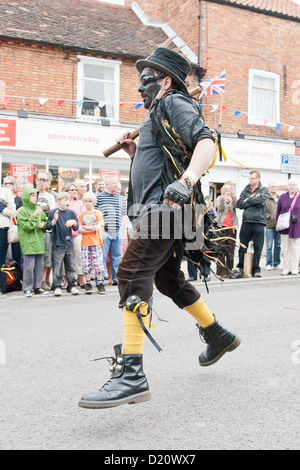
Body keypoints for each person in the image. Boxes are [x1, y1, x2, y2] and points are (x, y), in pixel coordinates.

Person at [78, 47, 241, 410]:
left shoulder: (173, 103)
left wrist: (187, 180)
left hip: (166, 210)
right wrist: (136, 151)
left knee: (131, 272)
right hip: (159, 210)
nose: (140, 88)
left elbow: (205, 142)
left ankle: (131, 375)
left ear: (166, 81)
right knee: (166, 280)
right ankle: (217, 333)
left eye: (147, 79)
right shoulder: (157, 114)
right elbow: (159, 164)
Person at [231, 170, 268, 278]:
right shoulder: (246, 189)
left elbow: (261, 201)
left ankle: (256, 269)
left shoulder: (264, 189)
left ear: (258, 178)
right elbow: (240, 204)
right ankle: (241, 268)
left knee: (258, 248)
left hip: (259, 222)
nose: (250, 180)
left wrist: (249, 200)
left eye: (252, 178)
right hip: (246, 221)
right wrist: (254, 200)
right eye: (250, 178)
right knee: (242, 247)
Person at [95, 177, 127, 286]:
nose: (117, 185)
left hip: (118, 230)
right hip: (104, 230)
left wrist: (122, 225)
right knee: (102, 255)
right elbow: (95, 213)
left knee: (117, 256)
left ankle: (115, 278)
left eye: (117, 183)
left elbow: (124, 214)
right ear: (107, 185)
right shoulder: (99, 197)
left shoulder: (122, 199)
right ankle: (100, 279)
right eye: (114, 183)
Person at [46, 192, 79, 296]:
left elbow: (76, 227)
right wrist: (54, 221)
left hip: (69, 243)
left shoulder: (71, 213)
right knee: (57, 266)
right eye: (65, 200)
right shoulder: (53, 212)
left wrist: (74, 223)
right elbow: (48, 227)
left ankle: (72, 285)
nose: (67, 202)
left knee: (71, 265)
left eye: (68, 200)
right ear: (59, 202)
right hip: (57, 243)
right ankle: (56, 286)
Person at [17, 187, 48, 296]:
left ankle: (37, 287)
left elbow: (45, 221)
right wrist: (34, 217)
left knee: (39, 266)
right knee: (29, 267)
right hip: (28, 242)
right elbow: (26, 227)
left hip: (39, 242)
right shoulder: (22, 212)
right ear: (26, 197)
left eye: (36, 196)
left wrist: (43, 224)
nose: (35, 198)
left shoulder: (39, 209)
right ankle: (27, 288)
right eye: (32, 196)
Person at [78, 192, 105, 294]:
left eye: (90, 201)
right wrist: (92, 228)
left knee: (98, 264)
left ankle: (99, 283)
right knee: (86, 264)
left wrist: (87, 227)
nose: (88, 203)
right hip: (85, 243)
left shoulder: (97, 213)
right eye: (85, 201)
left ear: (93, 202)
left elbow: (98, 227)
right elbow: (80, 229)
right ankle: (88, 283)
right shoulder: (82, 215)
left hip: (96, 242)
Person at [62, 182, 86, 288]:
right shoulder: (60, 203)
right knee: (64, 257)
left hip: (76, 233)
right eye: (72, 190)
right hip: (64, 234)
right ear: (66, 191)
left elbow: (83, 217)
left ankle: (81, 278)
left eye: (75, 190)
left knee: (79, 255)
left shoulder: (79, 203)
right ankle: (66, 279)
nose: (74, 192)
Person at [36, 171, 56, 291]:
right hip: (33, 231)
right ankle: (35, 281)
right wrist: (44, 209)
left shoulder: (50, 197)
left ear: (48, 182)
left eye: (44, 180)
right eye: (39, 179)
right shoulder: (32, 194)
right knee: (33, 257)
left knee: (46, 257)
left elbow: (51, 213)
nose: (41, 182)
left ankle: (43, 281)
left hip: (46, 231)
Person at [276, 178, 300, 275]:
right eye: (290, 184)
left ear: (296, 186)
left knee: (295, 248)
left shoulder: (299, 197)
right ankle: (287, 267)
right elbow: (278, 211)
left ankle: (294, 267)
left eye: (293, 184)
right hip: (285, 225)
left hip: (296, 226)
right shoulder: (282, 197)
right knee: (286, 248)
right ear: (288, 186)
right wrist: (277, 223)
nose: (291, 186)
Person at [215, 182, 238, 278]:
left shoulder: (233, 198)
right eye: (226, 187)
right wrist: (223, 195)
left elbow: (236, 205)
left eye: (230, 187)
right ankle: (221, 271)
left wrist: (233, 195)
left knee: (230, 249)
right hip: (221, 226)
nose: (228, 189)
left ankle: (229, 271)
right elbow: (220, 207)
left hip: (232, 227)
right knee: (221, 249)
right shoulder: (219, 198)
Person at [3, 176, 23, 268]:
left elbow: (18, 214)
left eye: (10, 183)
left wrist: (4, 211)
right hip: (3, 229)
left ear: (14, 185)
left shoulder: (19, 200)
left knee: (16, 257)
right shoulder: (2, 198)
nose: (7, 185)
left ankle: (16, 279)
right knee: (4, 257)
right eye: (5, 183)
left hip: (15, 230)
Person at [0, 184, 16, 294]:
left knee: (1, 259)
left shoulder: (5, 191)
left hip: (2, 228)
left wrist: (2, 209)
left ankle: (2, 285)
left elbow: (13, 212)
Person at [265, 182, 282, 270]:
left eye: (275, 186)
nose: (274, 188)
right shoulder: (266, 198)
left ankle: (277, 263)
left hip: (279, 225)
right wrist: (270, 218)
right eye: (272, 186)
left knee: (278, 245)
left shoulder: (280, 198)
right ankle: (268, 264)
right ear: (269, 188)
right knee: (269, 245)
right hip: (269, 225)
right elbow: (263, 211)